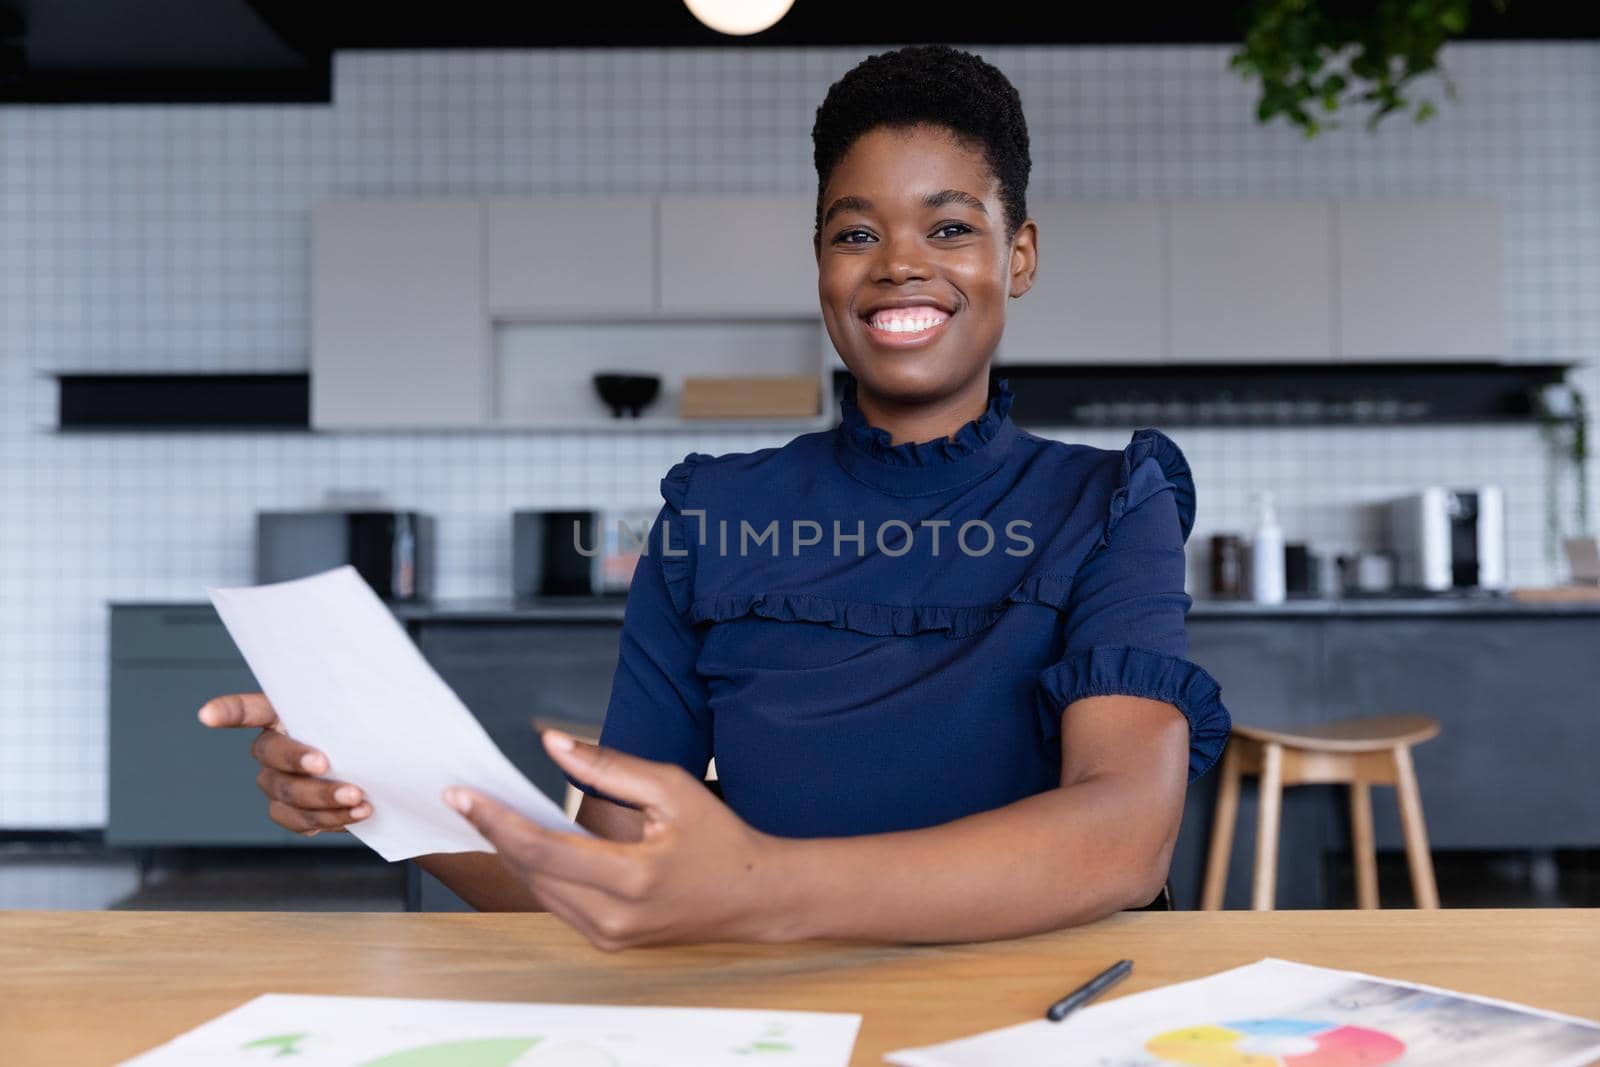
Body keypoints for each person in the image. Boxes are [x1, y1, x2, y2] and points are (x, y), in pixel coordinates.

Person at [200, 44, 1229, 948]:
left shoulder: (1108, 498)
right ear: (822, 264)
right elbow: (618, 870)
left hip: (1042, 1009)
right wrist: (386, 786)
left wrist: (758, 888)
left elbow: (1120, 838)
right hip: (776, 1001)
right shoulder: (713, 514)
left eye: (949, 228)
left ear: (1019, 256)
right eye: (855, 234)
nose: (899, 266)